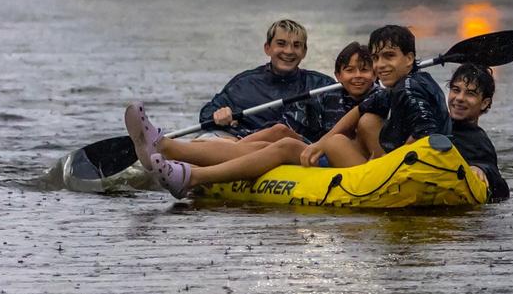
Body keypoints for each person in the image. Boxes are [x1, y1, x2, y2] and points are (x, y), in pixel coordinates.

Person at [129, 43, 377, 195]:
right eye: (350, 70)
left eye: (364, 70)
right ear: (338, 74)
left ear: (375, 73)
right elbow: (295, 125)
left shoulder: (378, 96)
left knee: (285, 145)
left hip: (343, 160)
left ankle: (177, 157)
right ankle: (171, 150)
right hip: (320, 150)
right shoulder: (330, 93)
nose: (357, 76)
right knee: (278, 131)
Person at [298, 24, 451, 169]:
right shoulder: (400, 86)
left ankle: (371, 181)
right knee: (367, 120)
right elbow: (360, 109)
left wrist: (387, 165)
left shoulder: (409, 87)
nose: (380, 65)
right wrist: (320, 143)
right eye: (376, 58)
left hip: (426, 168)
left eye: (389, 56)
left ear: (409, 58)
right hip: (407, 162)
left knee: (335, 144)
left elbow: (425, 133)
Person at [197, 18, 335, 139]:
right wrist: (219, 115)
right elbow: (206, 114)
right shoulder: (244, 84)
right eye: (281, 44)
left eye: (296, 45)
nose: (289, 51)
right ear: (267, 48)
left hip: (298, 153)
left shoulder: (323, 85)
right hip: (244, 147)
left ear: (304, 52)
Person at [445, 63, 510, 203]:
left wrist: (480, 169)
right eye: (456, 90)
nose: (460, 98)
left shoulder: (479, 142)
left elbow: (498, 181)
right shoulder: (431, 124)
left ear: (484, 103)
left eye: (470, 93)